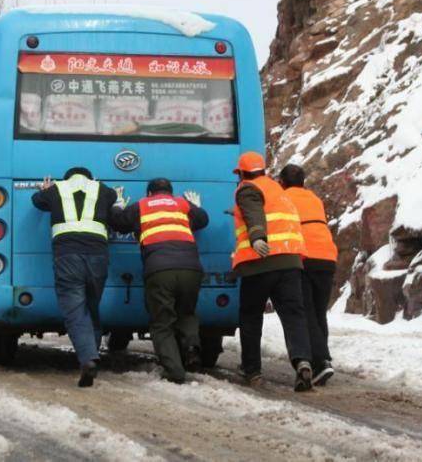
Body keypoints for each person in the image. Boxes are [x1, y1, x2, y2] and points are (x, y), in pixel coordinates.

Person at [110, 178, 209, 383]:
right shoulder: (182, 204)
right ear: (170, 193)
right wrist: (196, 207)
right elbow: (202, 220)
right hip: (191, 268)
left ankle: (174, 371)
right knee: (187, 313)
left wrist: (117, 206)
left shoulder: (142, 205)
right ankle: (191, 347)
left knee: (162, 322)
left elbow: (119, 223)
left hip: (160, 270)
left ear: (149, 193)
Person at [231, 151, 314, 392]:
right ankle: (302, 361)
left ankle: (252, 371)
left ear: (243, 173)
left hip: (261, 262)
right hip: (290, 261)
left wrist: (257, 237)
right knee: (293, 315)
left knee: (251, 316)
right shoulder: (278, 190)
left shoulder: (247, 188)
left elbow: (253, 210)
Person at [31, 167, 118, 387]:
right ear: (91, 178)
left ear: (67, 177)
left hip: (68, 255)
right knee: (91, 307)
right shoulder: (104, 190)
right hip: (98, 256)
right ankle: (92, 354)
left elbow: (36, 200)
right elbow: (113, 202)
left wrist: (45, 189)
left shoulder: (55, 189)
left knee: (75, 310)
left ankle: (88, 358)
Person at [279, 163, 337, 387]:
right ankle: (322, 359)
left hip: (304, 257)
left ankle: (321, 361)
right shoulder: (314, 198)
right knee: (319, 312)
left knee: (306, 312)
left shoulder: (283, 199)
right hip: (327, 257)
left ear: (282, 182)